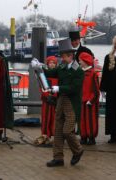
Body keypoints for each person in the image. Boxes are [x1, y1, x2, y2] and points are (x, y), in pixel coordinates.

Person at [32, 38, 84, 167]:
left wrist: (59, 88)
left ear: (70, 55)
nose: (61, 58)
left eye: (64, 56)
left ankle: (78, 150)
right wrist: (40, 67)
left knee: (67, 131)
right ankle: (58, 158)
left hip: (72, 103)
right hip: (61, 101)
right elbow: (50, 72)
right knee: (58, 131)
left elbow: (75, 88)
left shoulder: (78, 70)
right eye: (61, 56)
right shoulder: (62, 67)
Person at [35, 56, 58, 145]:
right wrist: (46, 96)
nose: (52, 64)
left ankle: (55, 135)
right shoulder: (43, 74)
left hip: (55, 100)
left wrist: (55, 96)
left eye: (53, 63)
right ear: (47, 64)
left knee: (54, 119)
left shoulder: (58, 74)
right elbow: (42, 87)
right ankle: (45, 135)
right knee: (46, 118)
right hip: (46, 100)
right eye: (50, 62)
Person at [78, 52, 100, 145]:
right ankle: (83, 136)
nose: (79, 62)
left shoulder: (93, 74)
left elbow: (96, 90)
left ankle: (91, 137)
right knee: (81, 120)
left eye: (80, 60)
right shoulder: (80, 72)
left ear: (85, 61)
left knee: (91, 120)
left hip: (90, 102)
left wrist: (91, 100)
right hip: (81, 100)